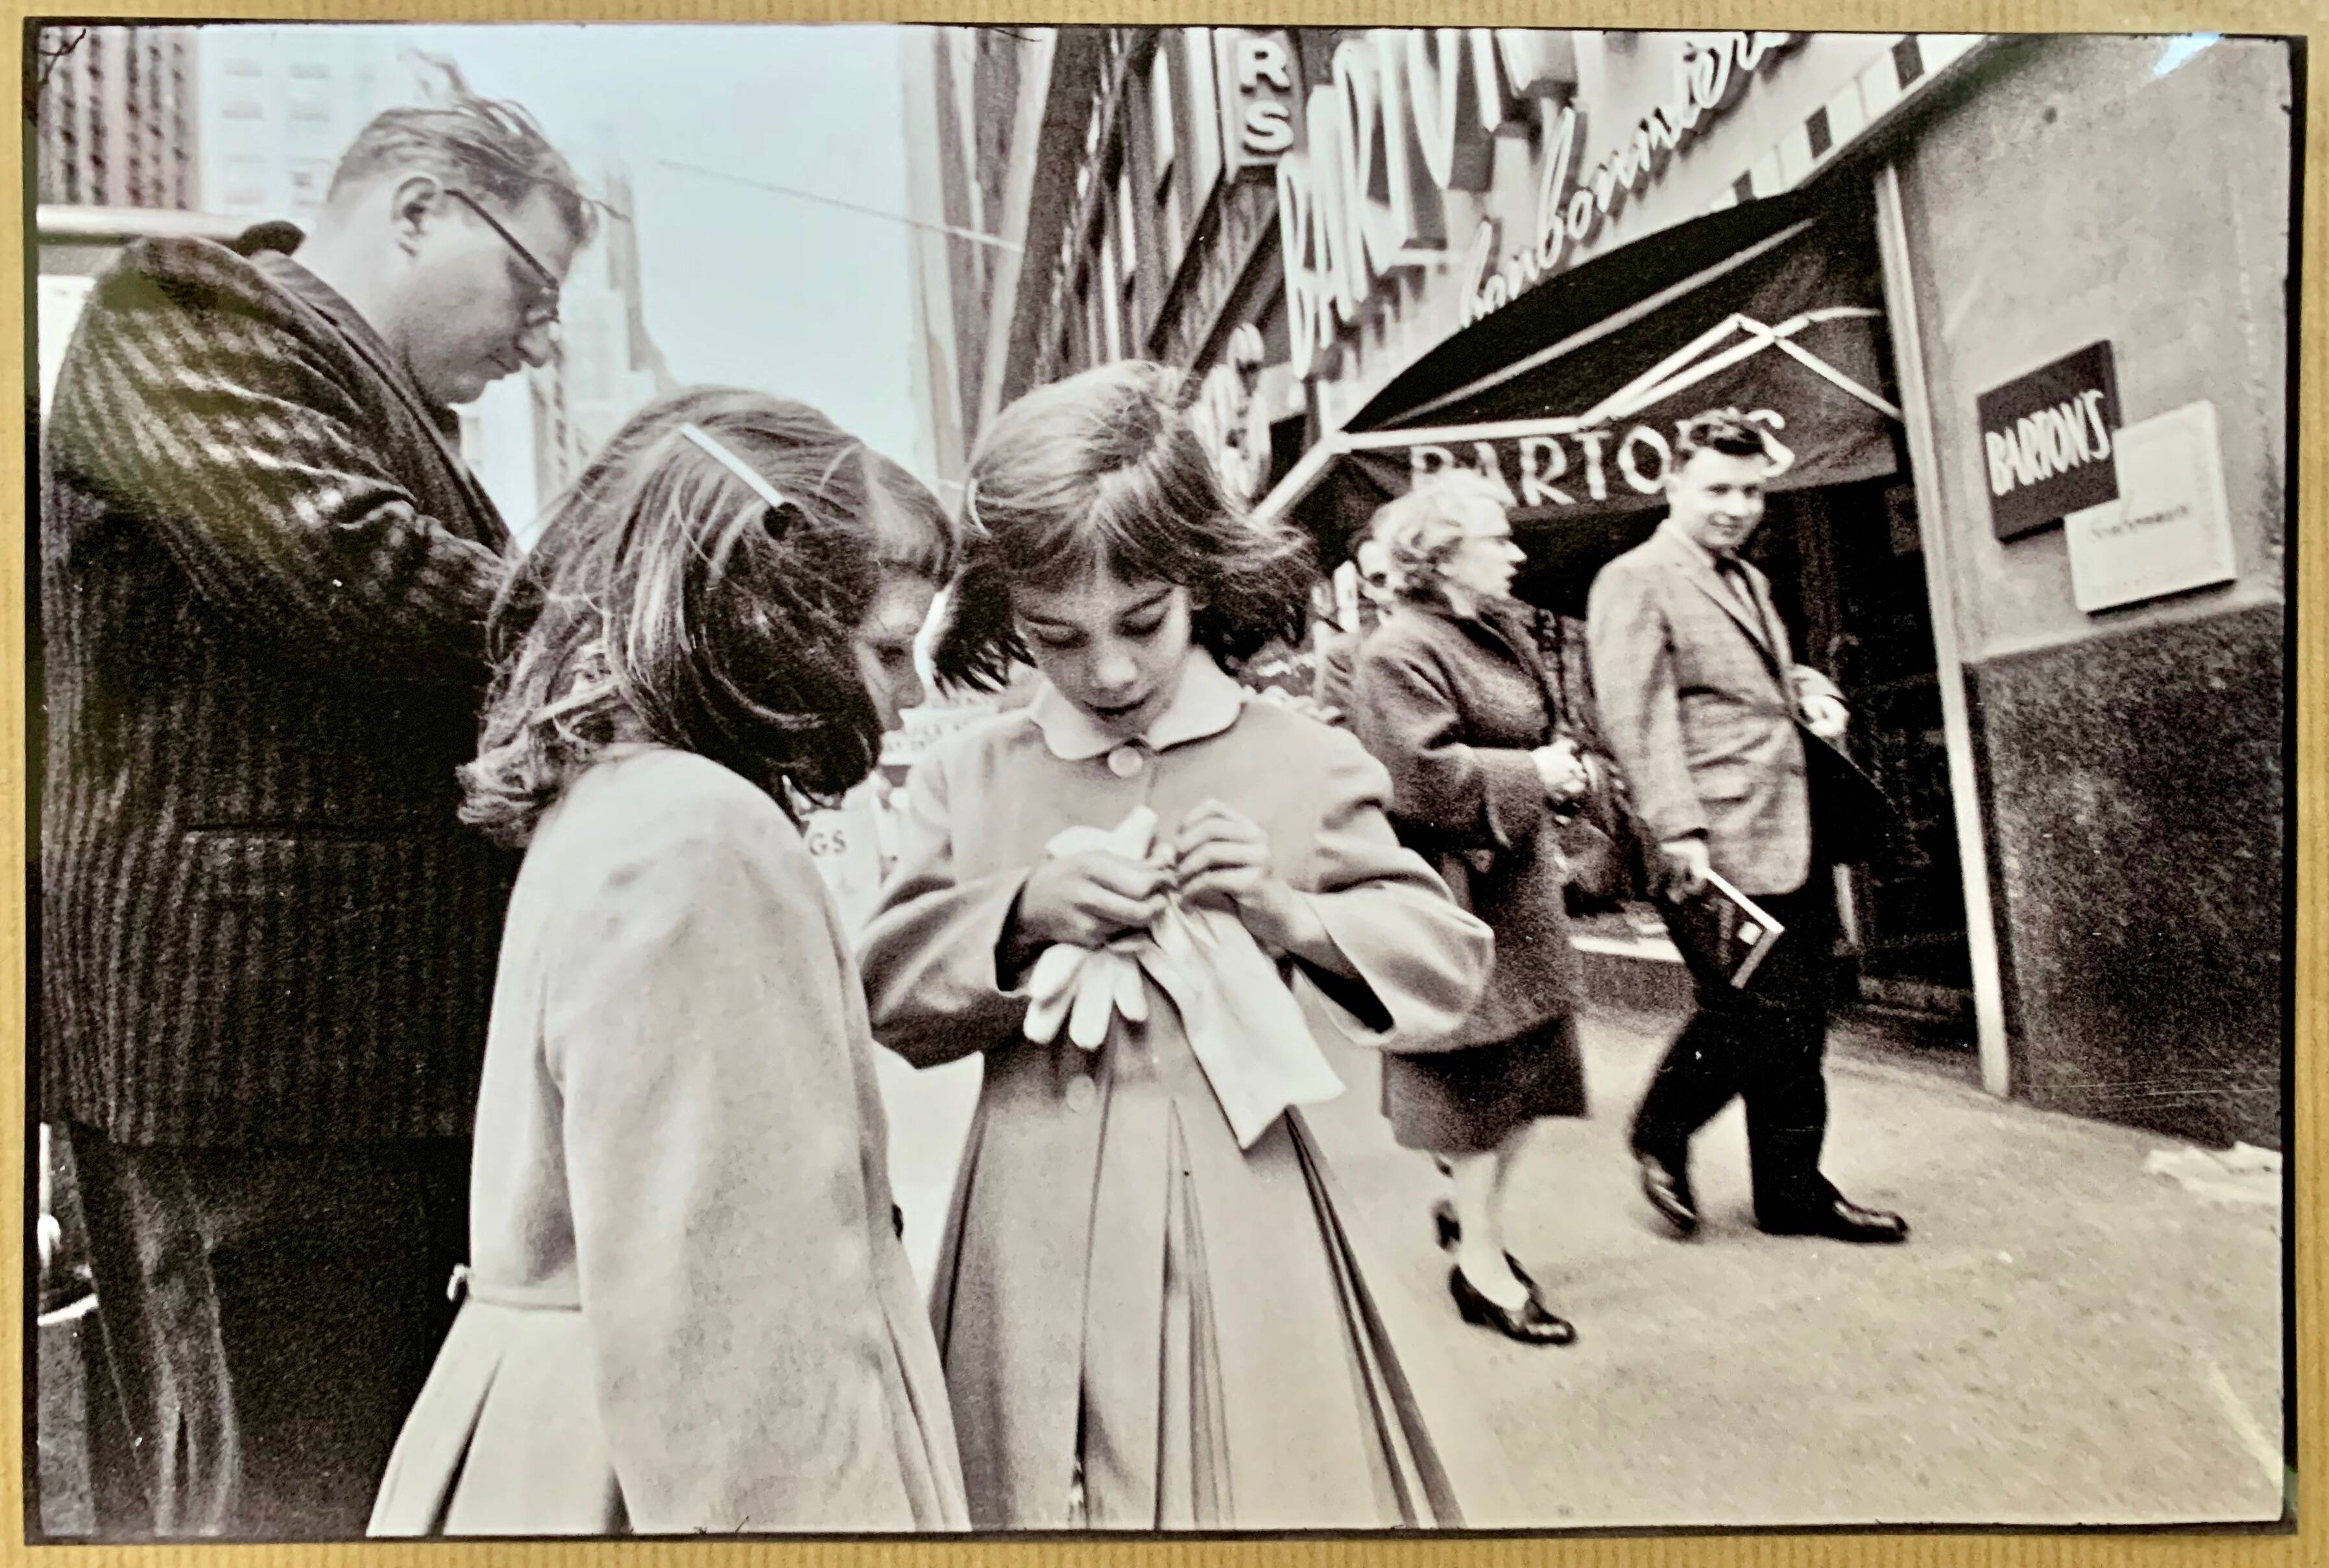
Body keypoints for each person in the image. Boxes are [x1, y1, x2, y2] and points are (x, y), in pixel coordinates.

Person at [39, 93, 594, 1536]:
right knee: (269, 1500)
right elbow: (343, 565)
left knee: (356, 1495)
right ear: (417, 207)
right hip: (244, 1063)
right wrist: (644, 632)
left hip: (358, 1070)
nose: (540, 336)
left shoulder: (398, 412)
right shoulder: (182, 304)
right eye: (531, 285)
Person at [857, 361, 1497, 1532]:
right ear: (1007, 620)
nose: (1107, 670)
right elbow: (887, 990)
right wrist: (1019, 911)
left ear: (1201, 579)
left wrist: (1292, 914)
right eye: (1056, 637)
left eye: (1143, 620)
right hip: (1025, 1238)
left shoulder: (1301, 757)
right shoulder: (970, 772)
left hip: (1243, 1220)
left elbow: (1446, 959)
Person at [367, 388, 970, 1536]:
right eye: (888, 647)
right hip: (639, 1475)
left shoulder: (624, 801)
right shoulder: (698, 834)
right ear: (763, 614)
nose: (911, 691)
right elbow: (734, 1336)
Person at [1586, 408, 1910, 1246]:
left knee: (1800, 1018)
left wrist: (1803, 685)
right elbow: (1636, 714)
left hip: (1786, 827)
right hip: (1712, 840)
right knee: (1753, 1014)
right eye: (1716, 489)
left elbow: (1748, 676)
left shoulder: (1748, 580)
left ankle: (1792, 1191)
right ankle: (1661, 1129)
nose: (1735, 506)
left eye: (1750, 490)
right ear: (1673, 486)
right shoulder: (1635, 578)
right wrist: (1678, 831)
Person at [1346, 470, 1593, 1347]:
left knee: (1524, 1079)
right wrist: (1535, 776)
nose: (1516, 551)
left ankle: (1468, 1212)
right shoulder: (1396, 652)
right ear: (1444, 555)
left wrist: (1552, 768)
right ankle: (1481, 1269)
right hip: (1454, 900)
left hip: (1513, 889)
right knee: (1481, 1094)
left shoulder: (1492, 631)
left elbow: (1525, 730)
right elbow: (1418, 779)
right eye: (1499, 538)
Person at [1312, 527, 1395, 721]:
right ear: (1365, 588)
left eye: (1402, 570)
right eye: (1380, 579)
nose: (1396, 585)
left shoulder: (1458, 625)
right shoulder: (1344, 660)